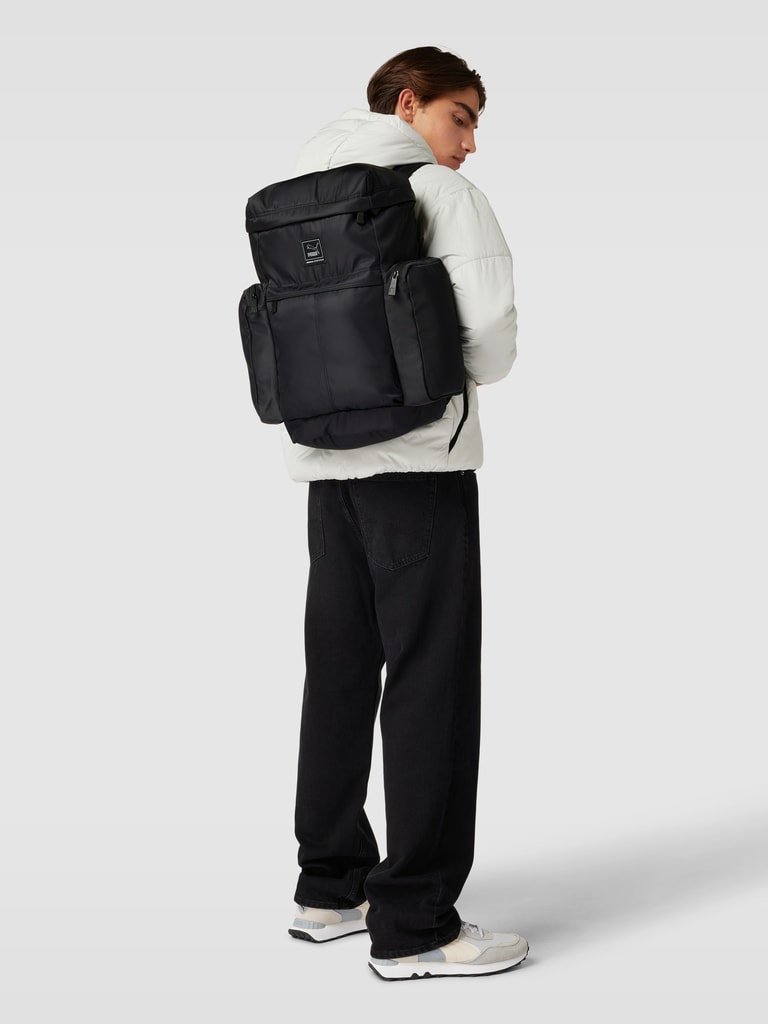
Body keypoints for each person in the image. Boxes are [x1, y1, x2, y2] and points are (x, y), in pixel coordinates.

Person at [281, 46, 527, 980]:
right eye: (461, 117)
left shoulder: (302, 188)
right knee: (432, 678)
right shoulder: (438, 192)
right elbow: (491, 338)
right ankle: (416, 924)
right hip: (420, 465)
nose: (469, 142)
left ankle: (329, 887)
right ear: (410, 103)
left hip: (327, 464)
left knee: (339, 671)